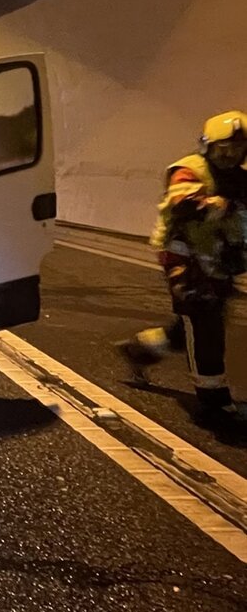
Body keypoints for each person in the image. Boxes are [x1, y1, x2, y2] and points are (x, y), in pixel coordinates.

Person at [117, 110, 247, 430]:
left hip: (217, 261)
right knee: (204, 321)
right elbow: (183, 203)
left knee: (187, 328)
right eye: (224, 148)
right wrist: (219, 206)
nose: (230, 155)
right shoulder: (188, 170)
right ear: (208, 146)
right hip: (185, 259)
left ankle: (140, 350)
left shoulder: (241, 179)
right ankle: (214, 404)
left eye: (238, 148)